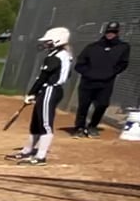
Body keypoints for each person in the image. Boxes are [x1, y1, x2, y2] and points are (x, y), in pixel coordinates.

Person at [9, 27, 72, 166]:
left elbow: (43, 77)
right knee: (36, 123)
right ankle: (27, 151)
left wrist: (31, 93)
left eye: (48, 42)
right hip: (49, 89)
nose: (45, 44)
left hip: (50, 89)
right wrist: (37, 93)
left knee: (45, 124)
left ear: (57, 41)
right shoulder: (64, 55)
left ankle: (41, 156)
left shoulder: (55, 57)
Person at [69, 22, 129, 138]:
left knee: (102, 105)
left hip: (106, 83)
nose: (110, 34)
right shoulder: (93, 47)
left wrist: (111, 73)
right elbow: (80, 64)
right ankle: (79, 127)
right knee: (83, 106)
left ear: (118, 33)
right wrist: (88, 73)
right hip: (88, 82)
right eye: (109, 32)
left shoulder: (123, 47)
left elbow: (123, 63)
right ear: (104, 32)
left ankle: (92, 126)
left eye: (114, 32)